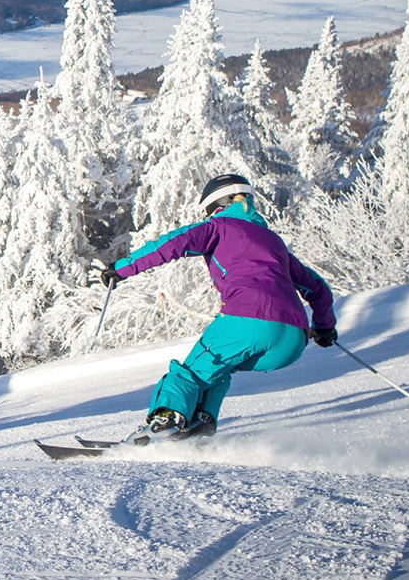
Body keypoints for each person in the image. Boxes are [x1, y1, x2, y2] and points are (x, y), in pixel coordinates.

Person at [99, 173, 335, 444]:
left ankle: (165, 423)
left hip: (249, 321)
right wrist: (324, 329)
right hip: (293, 340)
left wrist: (122, 269)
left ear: (217, 206)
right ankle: (199, 427)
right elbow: (318, 288)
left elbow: (170, 244)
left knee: (189, 372)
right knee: (217, 368)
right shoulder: (273, 243)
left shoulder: (218, 227)